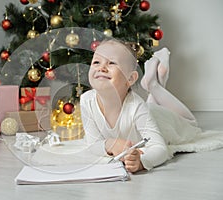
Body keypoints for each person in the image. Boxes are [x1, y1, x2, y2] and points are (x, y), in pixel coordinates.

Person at [80, 38, 202, 173]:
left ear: (130, 79)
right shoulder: (86, 101)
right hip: (148, 112)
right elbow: (92, 144)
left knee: (191, 123)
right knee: (151, 106)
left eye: (112, 63)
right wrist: (110, 144)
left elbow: (159, 148)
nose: (101, 68)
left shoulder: (137, 106)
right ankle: (154, 83)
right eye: (96, 62)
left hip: (163, 120)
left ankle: (154, 86)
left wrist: (142, 162)